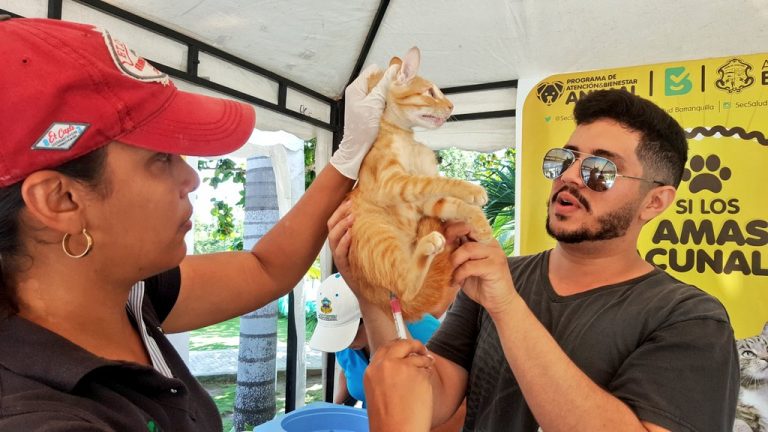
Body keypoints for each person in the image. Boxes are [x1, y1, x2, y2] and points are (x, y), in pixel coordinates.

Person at [0, 17, 396, 431]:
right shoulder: (34, 415)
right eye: (161, 159)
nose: (192, 178)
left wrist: (349, 156)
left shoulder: (129, 294)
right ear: (60, 200)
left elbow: (266, 268)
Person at [330, 89, 740, 431]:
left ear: (654, 201)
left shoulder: (689, 319)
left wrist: (507, 306)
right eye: (565, 159)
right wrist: (372, 294)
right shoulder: (498, 277)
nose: (570, 176)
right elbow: (431, 399)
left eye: (601, 170)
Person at [308, 273, 466, 431]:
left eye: (351, 333)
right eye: (337, 334)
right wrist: (334, 408)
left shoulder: (423, 332)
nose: (347, 344)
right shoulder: (345, 346)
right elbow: (348, 370)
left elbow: (459, 406)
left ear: (371, 312)